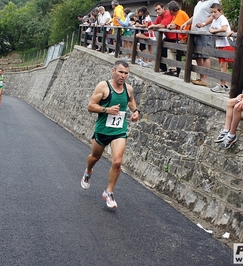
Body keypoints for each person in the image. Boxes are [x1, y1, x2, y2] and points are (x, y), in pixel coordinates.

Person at [81, 60, 140, 208]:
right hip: (102, 130)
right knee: (95, 157)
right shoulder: (103, 86)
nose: (123, 75)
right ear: (113, 71)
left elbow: (131, 100)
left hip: (119, 131)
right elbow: (90, 106)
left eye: (126, 73)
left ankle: (109, 192)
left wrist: (136, 111)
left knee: (117, 161)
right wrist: (107, 110)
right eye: (120, 72)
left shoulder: (128, 89)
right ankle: (88, 171)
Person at [180, 0, 220, 86]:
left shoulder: (213, 1)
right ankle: (200, 77)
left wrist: (203, 24)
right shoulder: (199, 3)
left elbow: (214, 15)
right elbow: (196, 16)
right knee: (198, 55)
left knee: (205, 55)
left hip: (204, 32)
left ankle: (204, 79)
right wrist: (186, 23)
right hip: (195, 32)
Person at [205, 3, 234, 93]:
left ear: (220, 11)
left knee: (223, 64)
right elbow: (211, 28)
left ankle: (223, 84)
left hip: (226, 43)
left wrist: (214, 31)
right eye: (211, 12)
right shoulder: (215, 20)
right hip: (220, 44)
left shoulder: (222, 18)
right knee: (222, 64)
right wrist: (212, 30)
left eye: (215, 12)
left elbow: (224, 28)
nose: (213, 14)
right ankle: (223, 84)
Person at [163, 1, 190, 77]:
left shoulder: (180, 14)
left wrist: (170, 26)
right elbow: (171, 24)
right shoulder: (176, 15)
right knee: (172, 49)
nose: (168, 11)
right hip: (184, 38)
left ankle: (176, 71)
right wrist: (170, 25)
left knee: (188, 55)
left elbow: (172, 26)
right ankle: (173, 70)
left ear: (171, 10)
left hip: (188, 39)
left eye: (168, 9)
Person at [148, 2, 175, 73]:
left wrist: (152, 26)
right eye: (156, 10)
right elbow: (155, 23)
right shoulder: (159, 16)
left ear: (163, 8)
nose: (157, 11)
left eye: (159, 9)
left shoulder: (167, 13)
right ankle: (163, 68)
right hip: (168, 36)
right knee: (160, 49)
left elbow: (163, 25)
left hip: (176, 37)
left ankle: (173, 70)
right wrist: (152, 26)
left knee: (172, 53)